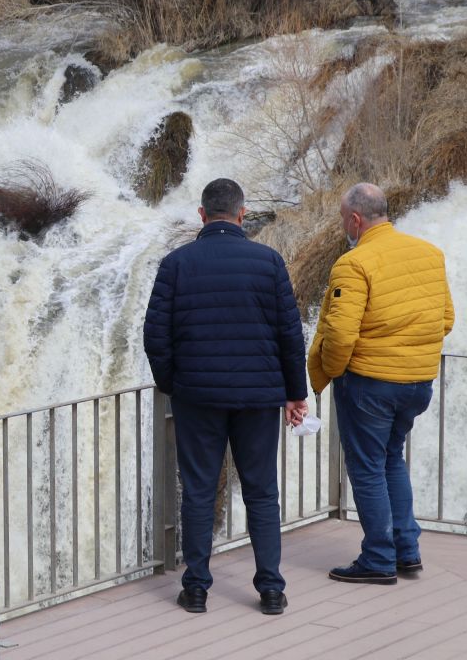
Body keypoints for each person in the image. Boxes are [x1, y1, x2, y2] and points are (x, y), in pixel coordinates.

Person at [143, 178, 307, 616]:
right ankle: (271, 589)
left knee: (198, 490)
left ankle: (195, 588)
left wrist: (173, 384)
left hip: (197, 397)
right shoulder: (269, 262)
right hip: (258, 398)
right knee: (261, 491)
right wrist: (295, 393)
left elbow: (155, 337)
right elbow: (290, 335)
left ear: (201, 215)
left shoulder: (176, 264)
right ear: (241, 214)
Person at [308, 182, 454, 585]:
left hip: (370, 383)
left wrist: (333, 371)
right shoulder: (430, 254)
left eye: (343, 220)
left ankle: (378, 558)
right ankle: (407, 551)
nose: (344, 227)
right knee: (392, 459)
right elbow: (445, 320)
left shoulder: (354, 263)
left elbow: (340, 335)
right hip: (417, 382)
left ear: (355, 219)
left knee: (368, 468)